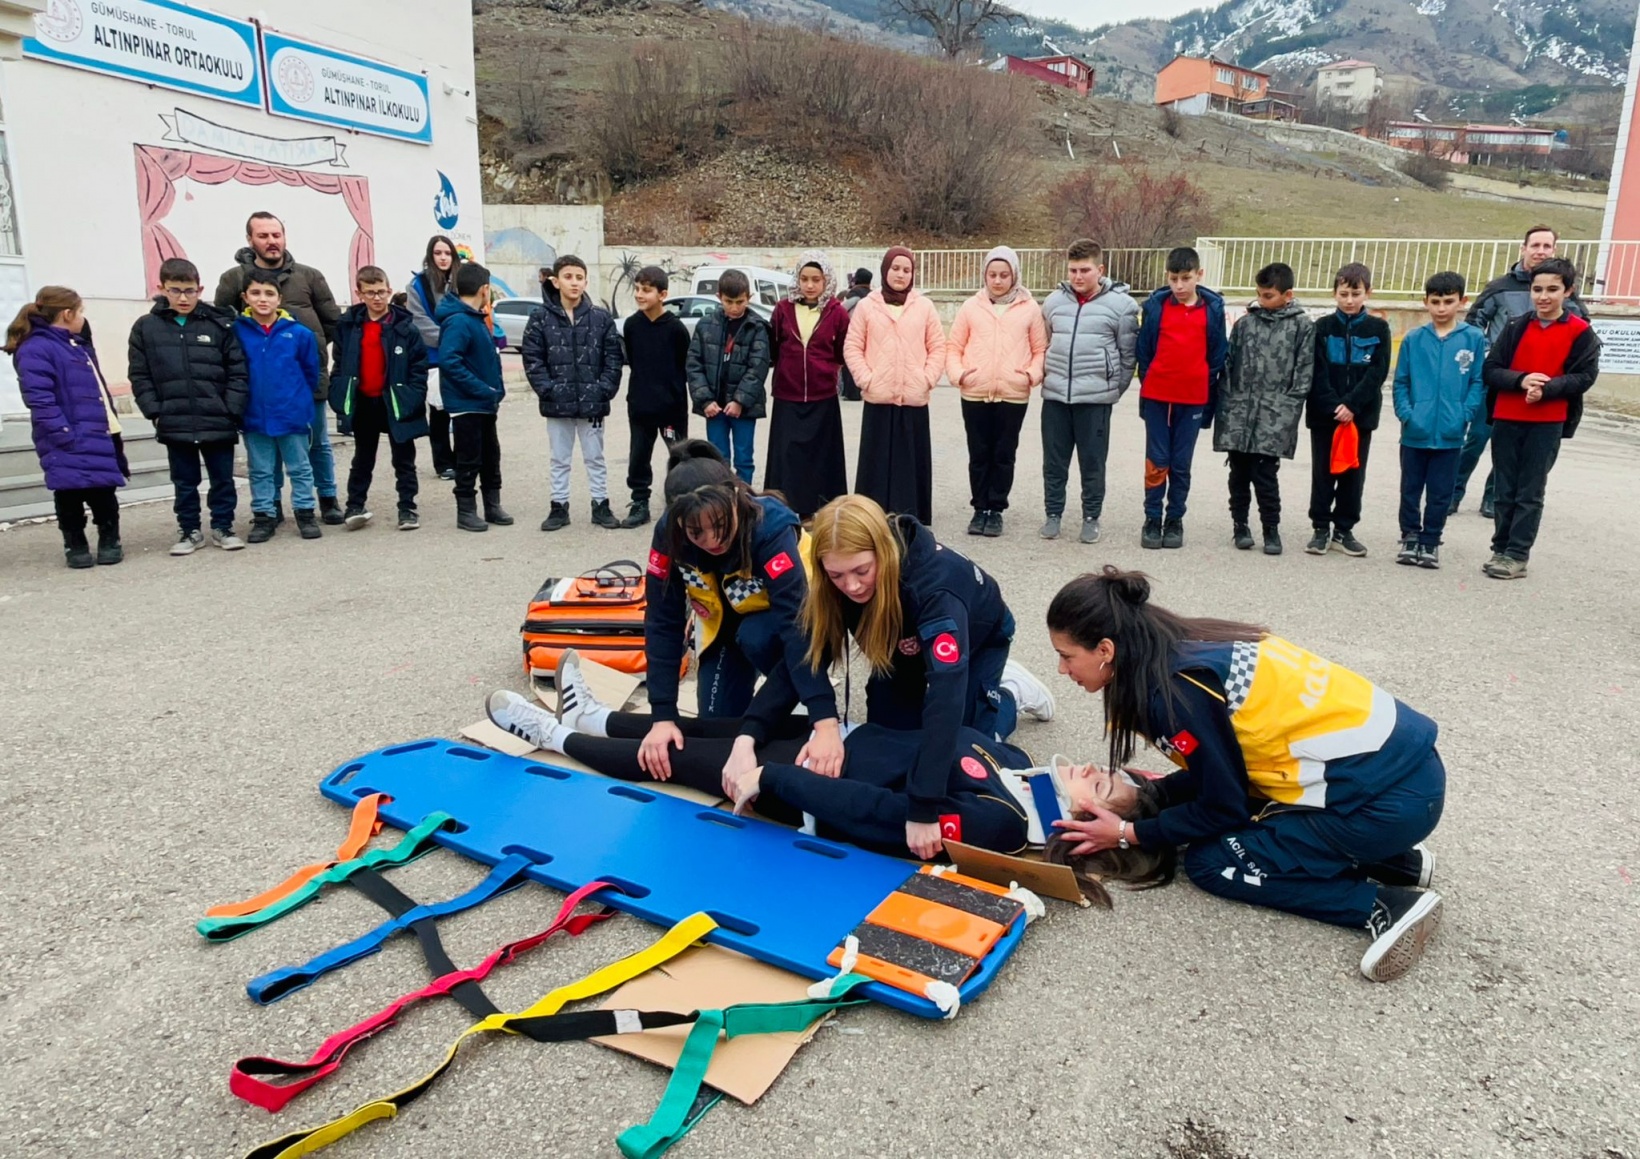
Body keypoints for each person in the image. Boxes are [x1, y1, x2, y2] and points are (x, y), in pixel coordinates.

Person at [1044, 566, 1446, 982]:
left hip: (1388, 806)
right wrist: (1155, 797)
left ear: (1106, 650)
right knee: (1250, 813)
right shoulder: (1188, 642)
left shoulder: (1172, 694)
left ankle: (1385, 903)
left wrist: (1130, 834)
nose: (1061, 669)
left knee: (1212, 863)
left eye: (1067, 655)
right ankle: (1395, 862)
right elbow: (1225, 771)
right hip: (1410, 776)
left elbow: (1225, 805)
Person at [484, 651, 1031, 861]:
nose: (1084, 769)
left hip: (807, 789)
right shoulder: (1019, 764)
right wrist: (1009, 698)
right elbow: (983, 725)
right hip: (842, 739)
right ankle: (593, 717)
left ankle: (552, 735)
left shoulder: (1003, 822)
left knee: (680, 759)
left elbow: (881, 815)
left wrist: (774, 779)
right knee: (706, 725)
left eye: (1099, 786)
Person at [795, 494, 1054, 858]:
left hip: (978, 641)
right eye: (837, 575)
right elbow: (803, 654)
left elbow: (945, 697)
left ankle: (1009, 694)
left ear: (883, 552)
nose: (851, 586)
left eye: (861, 572)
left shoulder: (936, 588)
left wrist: (923, 807)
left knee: (968, 748)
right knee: (894, 742)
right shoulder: (838, 576)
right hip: (907, 641)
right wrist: (756, 732)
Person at [636, 440, 841, 782]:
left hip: (797, 626)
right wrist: (662, 716)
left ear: (735, 497)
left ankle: (795, 690)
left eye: (719, 524)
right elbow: (661, 621)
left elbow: (796, 626)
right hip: (725, 627)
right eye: (696, 532)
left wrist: (825, 720)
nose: (713, 539)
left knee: (756, 637)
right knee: (716, 728)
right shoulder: (668, 535)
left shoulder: (769, 527)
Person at [213, 212, 343, 525]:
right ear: (250, 240)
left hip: (305, 379)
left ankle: (326, 499)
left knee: (317, 444)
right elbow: (222, 326)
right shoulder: (233, 278)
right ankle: (270, 508)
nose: (271, 241)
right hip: (258, 387)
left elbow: (332, 322)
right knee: (265, 452)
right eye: (263, 236)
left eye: (276, 235)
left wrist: (306, 353)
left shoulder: (309, 275)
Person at [1455, 226, 1590, 517]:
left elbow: (1581, 338)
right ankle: (1454, 492)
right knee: (1477, 438)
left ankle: (1494, 497)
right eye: (1535, 245)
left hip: (1543, 389)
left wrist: (1554, 382)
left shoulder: (1569, 299)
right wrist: (1492, 358)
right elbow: (1474, 323)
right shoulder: (1499, 286)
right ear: (1524, 248)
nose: (1540, 251)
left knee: (1515, 450)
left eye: (1547, 246)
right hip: (1500, 379)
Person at [1479, 258, 1601, 581]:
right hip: (1507, 416)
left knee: (1529, 490)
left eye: (1552, 289)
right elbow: (1491, 370)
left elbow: (1585, 377)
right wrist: (1521, 381)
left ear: (1568, 291)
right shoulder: (1516, 326)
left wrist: (1547, 387)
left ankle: (1517, 555)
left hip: (1548, 422)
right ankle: (1500, 547)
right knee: (1504, 489)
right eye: (1537, 289)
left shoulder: (1581, 333)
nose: (1543, 296)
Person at [128, 257, 249, 555]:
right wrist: (154, 410)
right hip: (175, 417)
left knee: (222, 478)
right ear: (161, 289)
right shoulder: (146, 327)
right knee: (184, 480)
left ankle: (223, 526)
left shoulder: (219, 324)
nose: (183, 298)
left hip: (216, 416)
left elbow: (237, 370)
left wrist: (230, 408)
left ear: (200, 289)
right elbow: (139, 373)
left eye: (190, 290)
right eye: (176, 290)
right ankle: (189, 530)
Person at [7, 286, 129, 568]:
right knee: (69, 492)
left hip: (98, 429)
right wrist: (63, 432)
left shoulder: (74, 343)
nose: (83, 318)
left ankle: (110, 540)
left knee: (104, 490)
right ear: (67, 313)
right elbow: (39, 398)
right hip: (66, 434)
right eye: (81, 312)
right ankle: (75, 544)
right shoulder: (36, 348)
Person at [1037, 238, 1137, 545]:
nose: (1078, 277)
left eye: (1085, 270)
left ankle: (1091, 516)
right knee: (1054, 462)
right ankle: (1053, 514)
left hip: (1094, 400)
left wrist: (1111, 390)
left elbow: (1127, 355)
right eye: (1073, 270)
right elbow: (1047, 341)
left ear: (1100, 269)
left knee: (1092, 463)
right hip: (1055, 396)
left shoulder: (1122, 306)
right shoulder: (1054, 302)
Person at [947, 245, 1047, 539]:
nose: (998, 280)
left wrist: (1030, 374)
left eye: (1004, 274)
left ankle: (997, 509)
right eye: (992, 274)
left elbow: (1040, 349)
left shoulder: (1029, 308)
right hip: (975, 391)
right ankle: (980, 508)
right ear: (985, 275)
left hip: (1013, 394)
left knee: (1004, 454)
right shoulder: (971, 307)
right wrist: (959, 374)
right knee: (979, 453)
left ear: (1014, 275)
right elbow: (954, 347)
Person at [1216, 262, 1314, 557]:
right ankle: (1240, 526)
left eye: (1268, 295)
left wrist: (1286, 410)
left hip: (1274, 416)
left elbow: (1303, 373)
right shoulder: (1246, 324)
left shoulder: (1302, 327)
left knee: (1266, 475)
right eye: (1259, 294)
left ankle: (1271, 528)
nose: (1262, 300)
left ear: (1287, 294)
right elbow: (1229, 366)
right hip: (1240, 413)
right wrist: (1230, 403)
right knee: (1238, 473)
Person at [1391, 272, 1487, 570]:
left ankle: (1431, 540)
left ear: (1462, 302)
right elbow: (1401, 382)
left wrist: (1464, 414)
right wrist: (1408, 414)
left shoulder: (1472, 338)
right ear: (1426, 303)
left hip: (1450, 432)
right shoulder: (1415, 339)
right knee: (1410, 488)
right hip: (1415, 432)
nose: (1442, 308)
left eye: (1449, 301)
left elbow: (1477, 382)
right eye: (1436, 302)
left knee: (1441, 491)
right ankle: (1409, 536)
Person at [524, 253, 625, 532]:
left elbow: (613, 358)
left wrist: (603, 389)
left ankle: (601, 504)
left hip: (592, 404)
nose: (574, 283)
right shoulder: (540, 319)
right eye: (568, 277)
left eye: (579, 277)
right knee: (559, 457)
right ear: (555, 281)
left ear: (586, 281)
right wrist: (549, 390)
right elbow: (533, 359)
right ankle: (559, 506)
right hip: (558, 403)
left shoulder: (601, 318)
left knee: (595, 457)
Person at [1135, 246, 1227, 550]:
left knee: (1181, 462)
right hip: (1158, 395)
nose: (1179, 285)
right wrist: (1151, 377)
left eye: (1186, 278)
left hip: (1193, 396)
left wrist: (1200, 376)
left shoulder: (1212, 309)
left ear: (1199, 275)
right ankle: (1152, 517)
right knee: (1157, 458)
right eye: (1173, 278)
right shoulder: (1156, 307)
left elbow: (1217, 354)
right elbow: (1144, 349)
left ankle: (1174, 518)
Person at [844, 246, 944, 526]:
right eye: (895, 268)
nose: (900, 274)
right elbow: (852, 346)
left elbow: (937, 346)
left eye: (906, 270)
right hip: (879, 397)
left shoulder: (923, 306)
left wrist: (927, 379)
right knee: (875, 463)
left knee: (910, 463)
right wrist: (866, 379)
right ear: (885, 270)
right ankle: (872, 519)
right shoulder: (867, 305)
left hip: (912, 398)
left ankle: (910, 519)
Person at [330, 266, 431, 532]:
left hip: (397, 400)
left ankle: (407, 507)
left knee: (404, 458)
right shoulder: (349, 326)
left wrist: (414, 394)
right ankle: (355, 505)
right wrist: (339, 389)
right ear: (359, 293)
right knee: (363, 457)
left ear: (389, 290)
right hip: (364, 401)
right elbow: (339, 363)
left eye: (381, 291)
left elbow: (419, 365)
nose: (377, 298)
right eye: (370, 292)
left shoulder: (405, 328)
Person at [1307, 262, 1390, 557]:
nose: (1350, 300)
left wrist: (1352, 405)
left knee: (1353, 475)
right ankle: (1320, 528)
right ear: (1334, 294)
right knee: (1323, 473)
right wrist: (1334, 405)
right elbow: (1316, 371)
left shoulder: (1379, 328)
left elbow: (1377, 372)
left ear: (1367, 292)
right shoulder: (1322, 328)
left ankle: (1344, 529)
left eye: (1356, 293)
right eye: (1344, 293)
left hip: (1360, 417)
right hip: (1325, 415)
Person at [235, 270, 322, 543]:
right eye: (256, 293)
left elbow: (310, 372)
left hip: (291, 413)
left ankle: (305, 512)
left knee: (299, 467)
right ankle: (264, 515)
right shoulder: (237, 332)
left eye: (269, 294)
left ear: (279, 299)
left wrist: (298, 402)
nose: (263, 299)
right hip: (254, 414)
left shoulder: (299, 334)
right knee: (260, 469)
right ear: (245, 297)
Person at [764, 251, 850, 520]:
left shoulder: (837, 313)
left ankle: (823, 510)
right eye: (804, 279)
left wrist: (824, 372)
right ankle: (784, 508)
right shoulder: (782, 310)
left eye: (816, 279)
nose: (810, 285)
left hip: (822, 396)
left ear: (827, 281)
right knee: (786, 457)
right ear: (797, 279)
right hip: (787, 395)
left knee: (821, 457)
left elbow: (841, 352)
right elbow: (774, 348)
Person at [437, 262, 508, 533]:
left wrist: (494, 392)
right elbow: (450, 362)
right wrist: (483, 389)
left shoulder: (476, 318)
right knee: (469, 458)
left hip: (484, 404)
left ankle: (493, 505)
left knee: (491, 455)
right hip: (467, 404)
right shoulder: (458, 322)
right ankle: (465, 510)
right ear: (485, 289)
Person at [619, 265, 690, 528]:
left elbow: (683, 366)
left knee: (679, 457)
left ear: (662, 294)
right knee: (639, 456)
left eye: (646, 290)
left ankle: (680, 504)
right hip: (640, 406)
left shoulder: (676, 329)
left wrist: (672, 395)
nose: (639, 294)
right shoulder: (632, 326)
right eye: (637, 289)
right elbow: (635, 362)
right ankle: (639, 502)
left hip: (671, 408)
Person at [687, 268, 770, 487]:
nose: (734, 307)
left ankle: (743, 501)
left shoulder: (757, 327)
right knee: (717, 458)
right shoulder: (705, 325)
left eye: (740, 302)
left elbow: (758, 367)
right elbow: (694, 364)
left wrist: (740, 401)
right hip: (714, 406)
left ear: (749, 298)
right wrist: (704, 400)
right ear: (718, 298)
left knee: (744, 458)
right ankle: (721, 499)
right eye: (729, 301)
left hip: (744, 408)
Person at [406, 235, 461, 481]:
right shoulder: (417, 285)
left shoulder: (462, 281)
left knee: (462, 411)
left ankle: (464, 458)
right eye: (438, 253)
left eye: (447, 253)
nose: (443, 258)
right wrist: (449, 338)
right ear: (431, 255)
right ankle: (443, 463)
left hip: (461, 355)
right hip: (435, 357)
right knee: (439, 413)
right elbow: (418, 320)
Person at [838, 268, 871, 401]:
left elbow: (842, 309)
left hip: (854, 331)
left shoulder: (855, 294)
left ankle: (851, 392)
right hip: (870, 331)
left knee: (850, 362)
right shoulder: (872, 295)